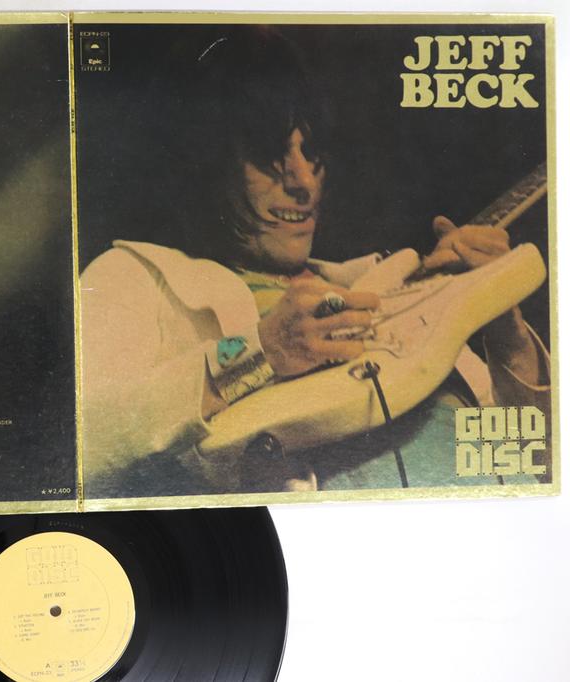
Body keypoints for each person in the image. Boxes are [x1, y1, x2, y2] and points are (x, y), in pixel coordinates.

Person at [80, 27, 550, 498]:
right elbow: (80, 442)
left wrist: (503, 328)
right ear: (203, 163)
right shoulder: (133, 276)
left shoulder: (384, 283)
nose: (304, 181)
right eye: (269, 155)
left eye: (311, 153)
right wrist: (261, 352)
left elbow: (539, 462)